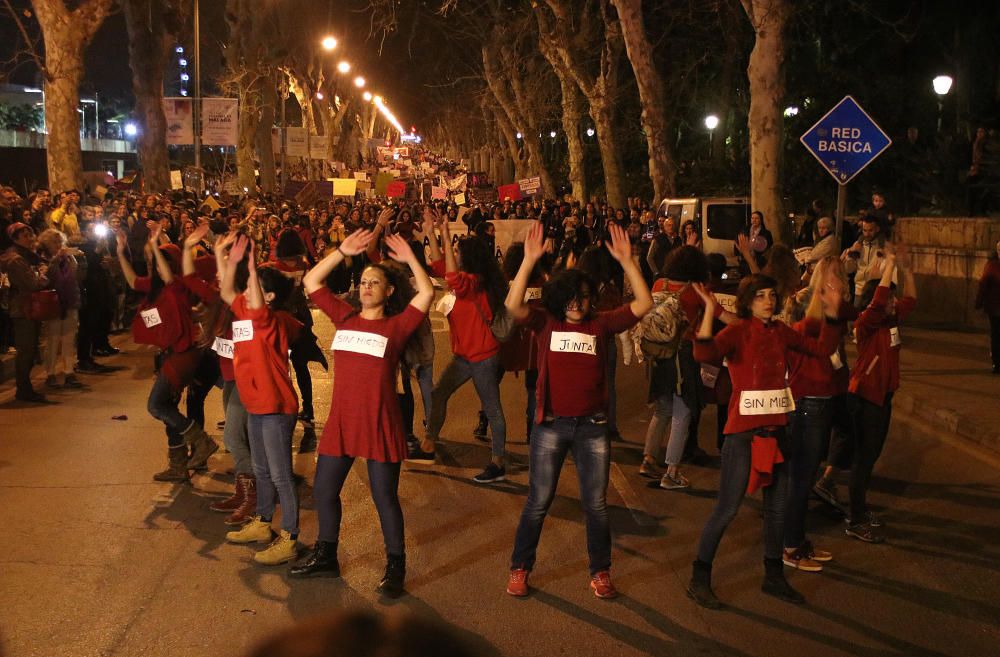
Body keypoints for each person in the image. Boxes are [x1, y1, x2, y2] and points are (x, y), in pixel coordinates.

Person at [504, 222, 652, 599]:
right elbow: (512, 305)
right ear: (558, 298)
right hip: (551, 426)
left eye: (583, 297)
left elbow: (643, 304)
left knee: (596, 504)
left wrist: (628, 261)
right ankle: (520, 568)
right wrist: (530, 260)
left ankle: (600, 572)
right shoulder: (546, 322)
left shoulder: (601, 324)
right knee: (539, 501)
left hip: (592, 428)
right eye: (569, 297)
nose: (576, 303)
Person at [687, 272, 844, 608]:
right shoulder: (739, 331)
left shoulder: (781, 331)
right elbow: (704, 354)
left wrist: (831, 313)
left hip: (778, 432)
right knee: (727, 509)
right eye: (760, 295)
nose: (769, 300)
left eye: (772, 294)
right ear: (748, 301)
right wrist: (708, 315)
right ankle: (699, 578)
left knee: (777, 510)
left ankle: (773, 577)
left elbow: (821, 349)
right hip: (743, 435)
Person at [291, 229, 433, 598]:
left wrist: (411, 259)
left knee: (384, 497)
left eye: (376, 283)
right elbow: (311, 280)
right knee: (324, 492)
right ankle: (326, 555)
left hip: (379, 421)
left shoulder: (397, 326)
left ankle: (395, 565)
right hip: (341, 421)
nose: (367, 286)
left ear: (389, 292)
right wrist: (341, 251)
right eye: (365, 281)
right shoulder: (346, 317)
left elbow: (427, 293)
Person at [220, 236, 304, 565]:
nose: (245, 292)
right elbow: (228, 291)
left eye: (253, 288)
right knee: (261, 469)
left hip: (275, 408)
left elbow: (251, 297)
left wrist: (252, 264)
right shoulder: (244, 311)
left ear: (268, 297)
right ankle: (263, 522)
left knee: (280, 474)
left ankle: (290, 536)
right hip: (255, 405)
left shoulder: (269, 319)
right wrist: (222, 256)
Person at [410, 212, 510, 484]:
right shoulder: (466, 277)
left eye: (456, 250)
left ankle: (498, 462)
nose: (451, 252)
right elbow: (439, 264)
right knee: (440, 393)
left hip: (483, 356)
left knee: (492, 408)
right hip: (464, 355)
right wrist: (431, 232)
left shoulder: (475, 282)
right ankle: (429, 444)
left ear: (468, 257)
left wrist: (442, 233)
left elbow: (451, 276)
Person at [115, 224, 217, 481]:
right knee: (169, 409)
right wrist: (120, 252)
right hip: (170, 355)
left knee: (156, 405)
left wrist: (157, 244)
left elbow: (167, 273)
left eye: (158, 259)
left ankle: (201, 441)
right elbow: (131, 280)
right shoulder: (155, 287)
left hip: (182, 355)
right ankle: (178, 466)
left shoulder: (176, 286)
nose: (152, 262)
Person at [782, 257, 853, 572]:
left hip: (818, 402)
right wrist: (836, 312)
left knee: (804, 476)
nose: (839, 290)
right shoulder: (810, 322)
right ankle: (790, 546)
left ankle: (796, 540)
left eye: (841, 283)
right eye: (833, 285)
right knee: (801, 479)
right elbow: (823, 350)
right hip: (808, 405)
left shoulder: (824, 317)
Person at [840, 249, 916, 543]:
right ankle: (855, 519)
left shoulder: (891, 320)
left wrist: (906, 270)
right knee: (863, 458)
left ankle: (861, 508)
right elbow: (879, 299)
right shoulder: (866, 323)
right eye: (889, 299)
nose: (894, 303)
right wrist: (890, 267)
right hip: (865, 398)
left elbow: (911, 299)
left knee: (871, 457)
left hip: (883, 397)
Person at [1, 223, 50, 402]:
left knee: (29, 349)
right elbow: (33, 283)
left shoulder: (25, 256)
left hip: (26, 307)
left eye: (30, 234)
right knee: (26, 350)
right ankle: (23, 388)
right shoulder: (16, 259)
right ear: (15, 238)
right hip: (23, 308)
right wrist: (43, 275)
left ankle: (25, 387)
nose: (30, 238)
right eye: (25, 235)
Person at [36, 229, 83, 389]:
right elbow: (45, 279)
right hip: (53, 304)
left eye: (59, 242)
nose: (58, 245)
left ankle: (69, 371)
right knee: (53, 340)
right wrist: (55, 261)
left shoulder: (67, 259)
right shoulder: (43, 259)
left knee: (69, 339)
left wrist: (72, 258)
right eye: (54, 242)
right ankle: (50, 374)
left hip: (69, 302)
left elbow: (76, 274)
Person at [975, 240, 1000, 373]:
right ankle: (997, 362)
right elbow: (983, 285)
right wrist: (979, 302)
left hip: (995, 307)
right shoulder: (992, 266)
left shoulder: (992, 266)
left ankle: (997, 362)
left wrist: (979, 302)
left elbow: (983, 284)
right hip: (995, 308)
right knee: (996, 334)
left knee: (996, 335)